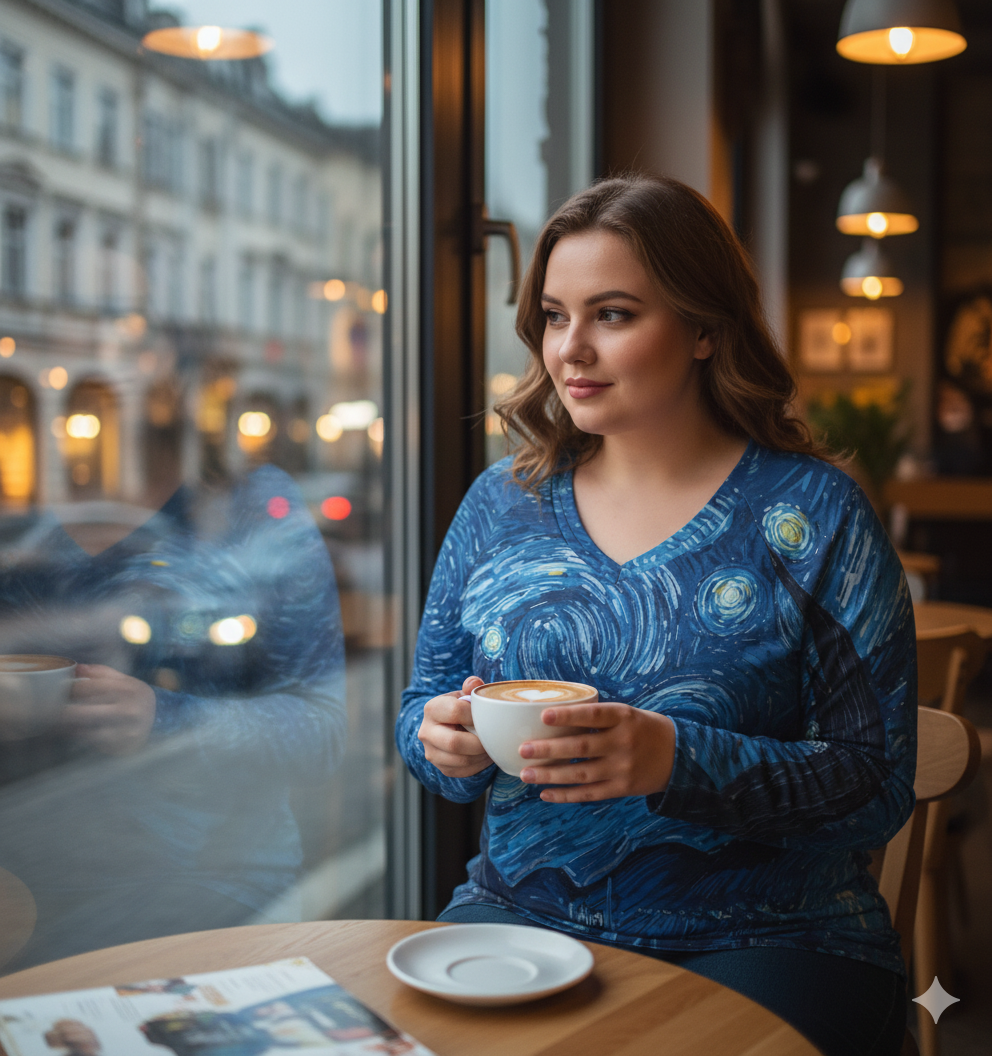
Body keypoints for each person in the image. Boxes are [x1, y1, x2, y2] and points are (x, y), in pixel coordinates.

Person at [396, 175, 916, 1056]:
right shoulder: (498, 504)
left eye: (613, 314)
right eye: (555, 317)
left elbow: (877, 785)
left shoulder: (814, 513)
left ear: (706, 329)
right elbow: (425, 709)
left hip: (770, 934)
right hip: (519, 918)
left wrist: (676, 759)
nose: (572, 351)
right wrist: (439, 740)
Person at [0, 464, 346, 967]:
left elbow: (323, 737)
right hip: (23, 882)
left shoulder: (250, 504)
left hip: (208, 887)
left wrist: (167, 721)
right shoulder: (25, 524)